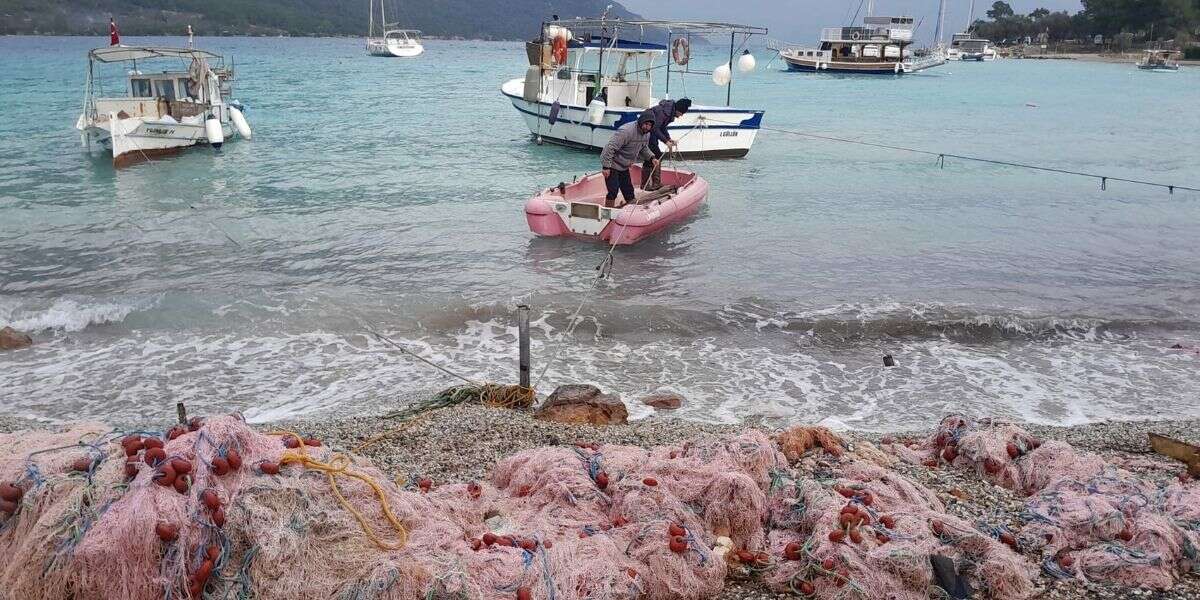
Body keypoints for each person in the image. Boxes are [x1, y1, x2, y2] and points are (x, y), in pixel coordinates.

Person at [600, 114, 658, 208]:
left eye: (650, 125)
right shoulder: (626, 131)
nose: (647, 127)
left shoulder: (647, 134)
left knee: (629, 192)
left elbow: (643, 148)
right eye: (646, 124)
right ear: (641, 122)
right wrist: (606, 167)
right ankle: (608, 211)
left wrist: (652, 158)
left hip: (624, 166)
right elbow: (609, 147)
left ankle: (632, 210)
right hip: (613, 164)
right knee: (613, 191)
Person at [640, 98, 691, 190]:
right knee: (654, 156)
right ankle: (648, 185)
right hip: (647, 132)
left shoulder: (668, 111)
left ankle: (654, 183)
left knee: (655, 156)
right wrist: (666, 141)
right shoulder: (662, 112)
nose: (681, 116)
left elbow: (662, 127)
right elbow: (655, 128)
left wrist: (669, 139)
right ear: (678, 110)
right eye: (682, 113)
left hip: (652, 133)